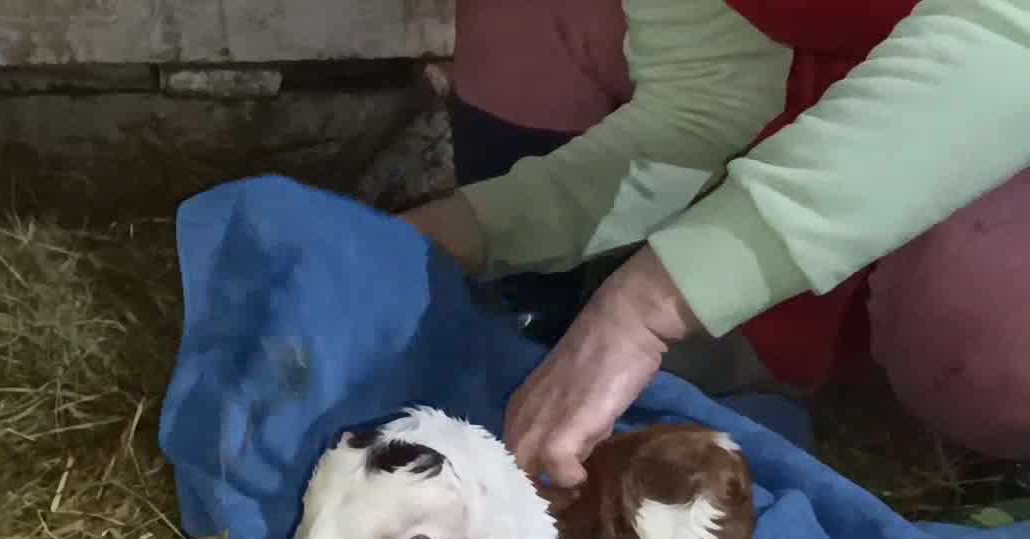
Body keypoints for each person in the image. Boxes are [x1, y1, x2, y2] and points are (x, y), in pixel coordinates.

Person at [398, 0, 1030, 490]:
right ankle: (527, 328)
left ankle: (886, 383)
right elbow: (700, 106)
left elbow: (1008, 42)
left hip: (1002, 89)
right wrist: (465, 232)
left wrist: (644, 311)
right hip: (837, 79)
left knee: (992, 329)